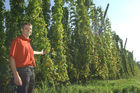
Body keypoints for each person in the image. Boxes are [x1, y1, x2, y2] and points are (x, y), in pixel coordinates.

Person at [9, 23, 46, 93]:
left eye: (30, 29)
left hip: (31, 70)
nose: (29, 30)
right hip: (23, 71)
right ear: (22, 30)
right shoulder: (17, 41)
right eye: (26, 29)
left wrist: (41, 52)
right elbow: (11, 58)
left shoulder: (27, 42)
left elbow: (32, 52)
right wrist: (16, 75)